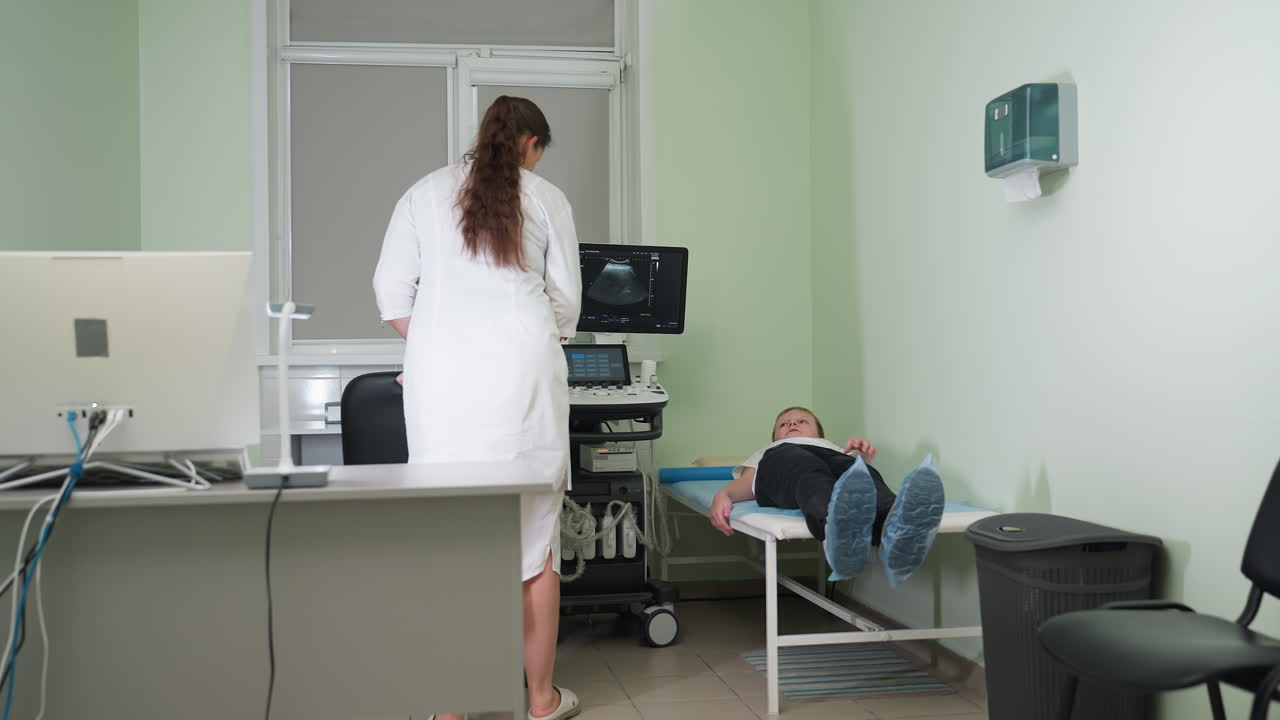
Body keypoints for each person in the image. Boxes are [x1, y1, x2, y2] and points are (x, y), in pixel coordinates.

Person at [373, 96, 582, 720]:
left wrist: (440, 344)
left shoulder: (422, 194)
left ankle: (450, 709)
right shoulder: (546, 198)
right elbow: (567, 303)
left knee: (453, 540)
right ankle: (541, 700)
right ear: (531, 146)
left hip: (443, 391)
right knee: (534, 543)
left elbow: (390, 295)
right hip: (524, 380)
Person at [708, 407, 944, 585]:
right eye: (784, 424)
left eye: (802, 421)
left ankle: (895, 521)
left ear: (819, 433)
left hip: (835, 462)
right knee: (809, 475)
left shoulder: (833, 448)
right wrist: (725, 494)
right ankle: (835, 522)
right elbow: (752, 481)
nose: (792, 424)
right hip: (785, 467)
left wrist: (861, 459)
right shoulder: (771, 450)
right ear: (774, 437)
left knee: (861, 473)